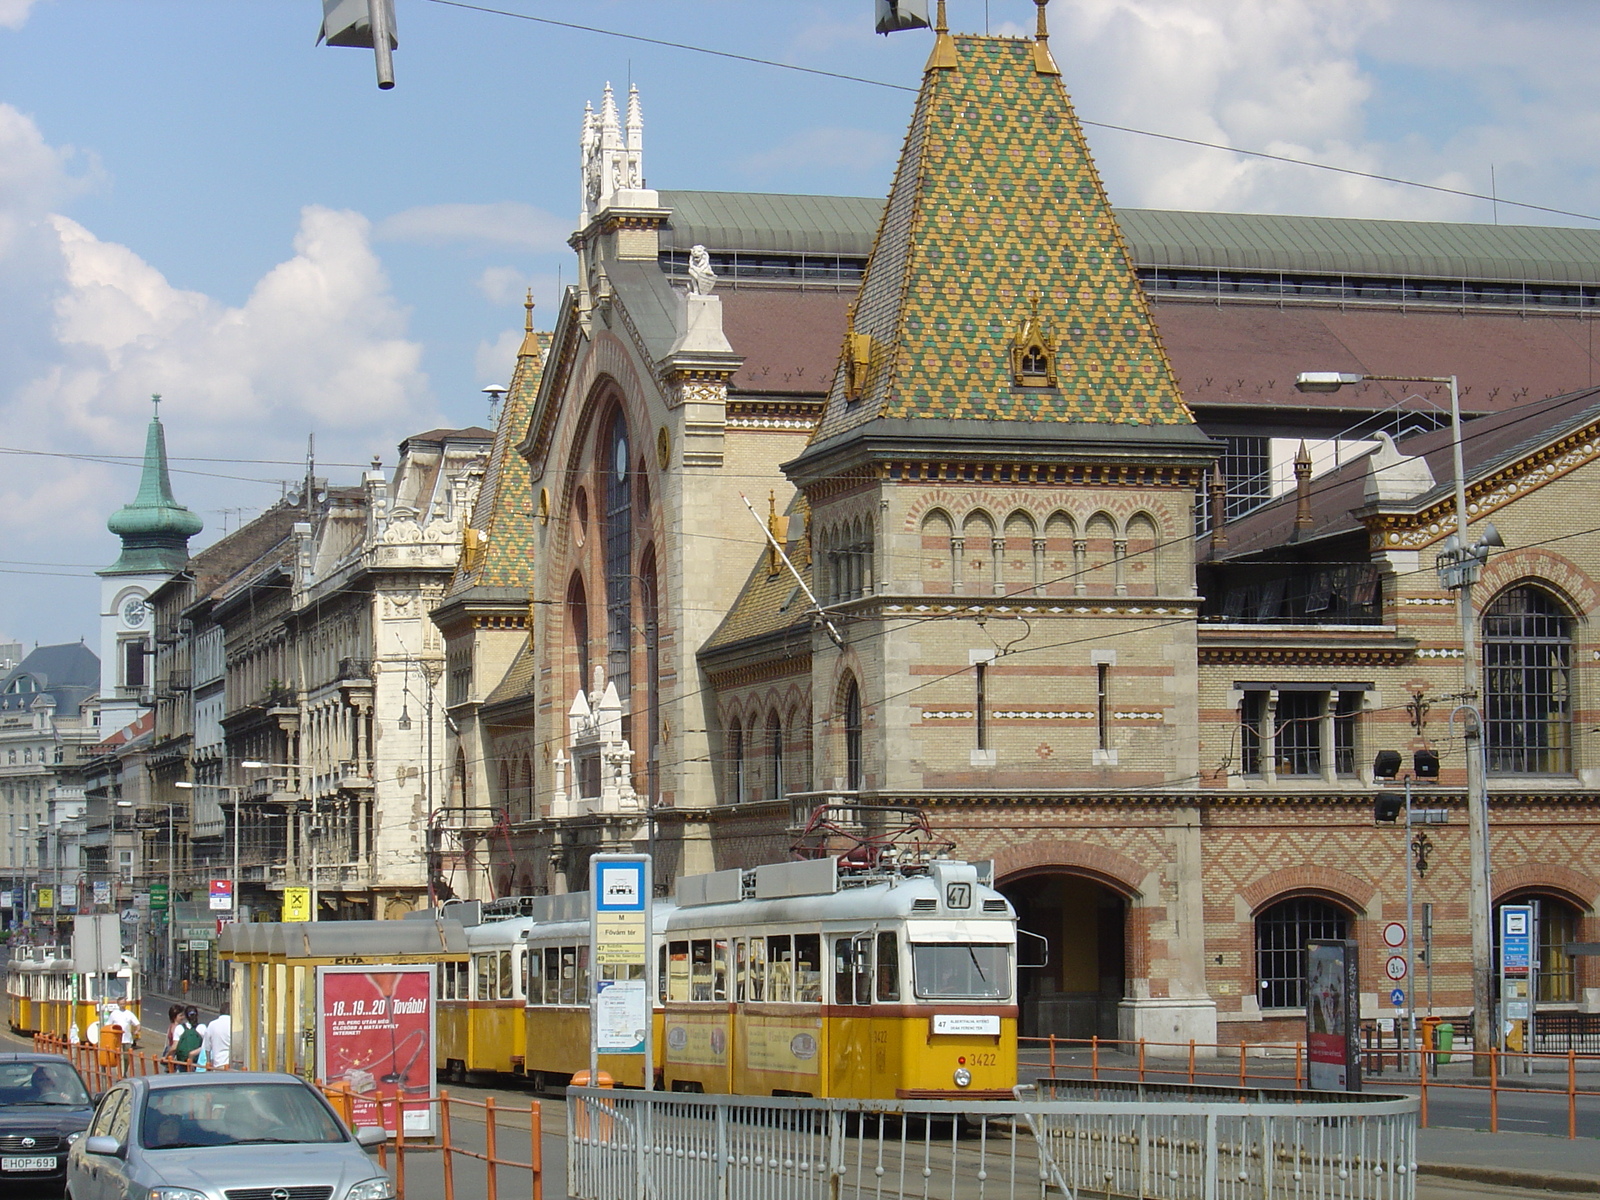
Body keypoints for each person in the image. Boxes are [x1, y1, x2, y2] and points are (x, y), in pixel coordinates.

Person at [200, 1005, 232, 1070]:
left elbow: (207, 1048)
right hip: (233, 1064)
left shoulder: (212, 1024)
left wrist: (208, 1063)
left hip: (218, 1064)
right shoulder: (235, 1024)